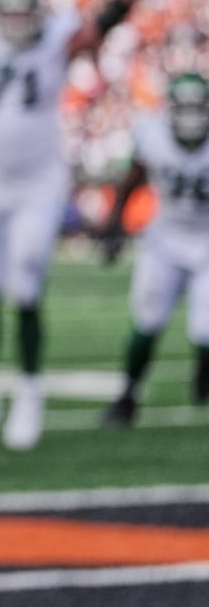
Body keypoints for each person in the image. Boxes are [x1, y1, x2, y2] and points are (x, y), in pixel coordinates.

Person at [0, 0, 150, 451]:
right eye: (6, 15)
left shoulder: (57, 35)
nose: (15, 23)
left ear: (38, 13)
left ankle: (29, 393)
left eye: (22, 14)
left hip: (37, 181)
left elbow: (106, 22)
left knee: (26, 284)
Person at [97, 71, 209, 428]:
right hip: (164, 240)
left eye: (199, 108)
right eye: (185, 108)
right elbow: (132, 178)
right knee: (147, 322)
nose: (192, 117)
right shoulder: (153, 134)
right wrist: (114, 224)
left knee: (206, 331)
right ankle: (127, 395)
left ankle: (204, 374)